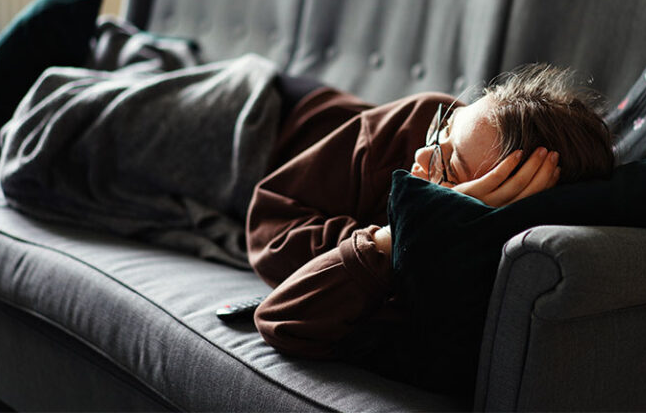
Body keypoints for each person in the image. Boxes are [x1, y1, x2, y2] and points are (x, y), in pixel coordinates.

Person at [247, 63, 615, 360]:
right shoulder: (420, 119)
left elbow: (282, 319)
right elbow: (269, 227)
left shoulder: (460, 271)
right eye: (445, 129)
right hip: (263, 110)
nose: (423, 155)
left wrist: (402, 234)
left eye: (449, 168)